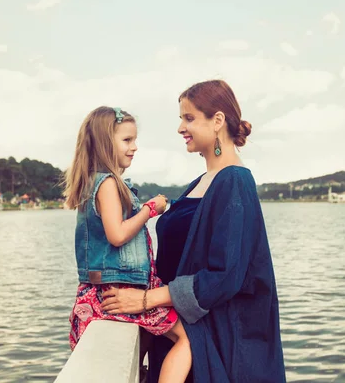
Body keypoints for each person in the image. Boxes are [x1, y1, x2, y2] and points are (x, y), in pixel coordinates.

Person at [100, 81, 286, 382]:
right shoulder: (203, 180)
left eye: (188, 118)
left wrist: (145, 300)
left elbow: (225, 276)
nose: (180, 128)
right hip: (181, 328)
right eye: (180, 119)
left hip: (215, 341)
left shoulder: (235, 181)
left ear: (217, 121)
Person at [63, 106, 192, 383]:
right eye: (127, 140)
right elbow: (117, 235)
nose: (134, 147)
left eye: (134, 140)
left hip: (107, 288)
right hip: (119, 289)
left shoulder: (96, 182)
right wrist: (150, 209)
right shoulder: (107, 183)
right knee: (187, 339)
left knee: (144, 339)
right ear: (105, 144)